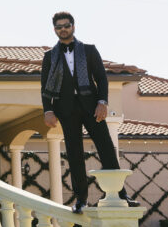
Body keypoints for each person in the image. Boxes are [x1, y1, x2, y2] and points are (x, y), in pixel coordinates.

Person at [41, 11, 140, 214]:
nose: (63, 29)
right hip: (66, 109)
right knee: (74, 153)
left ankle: (121, 194)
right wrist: (48, 110)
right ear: (54, 30)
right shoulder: (50, 56)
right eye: (59, 27)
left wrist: (102, 102)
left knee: (106, 146)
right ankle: (81, 199)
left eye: (66, 25)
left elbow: (102, 79)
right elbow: (44, 87)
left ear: (73, 26)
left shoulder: (89, 50)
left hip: (92, 106)